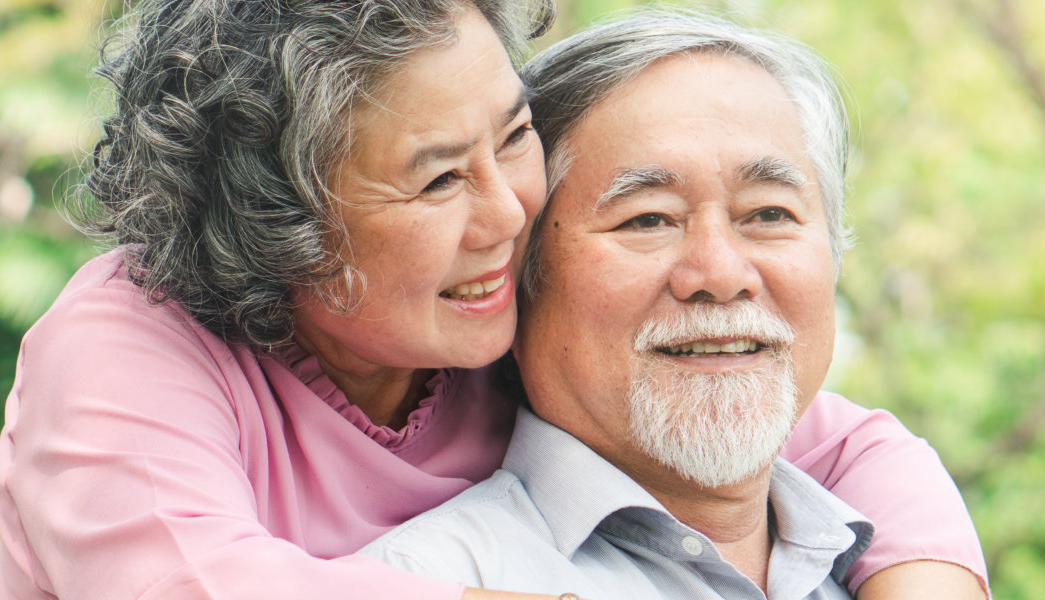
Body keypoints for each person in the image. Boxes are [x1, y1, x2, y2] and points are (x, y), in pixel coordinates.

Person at [0, 0, 986, 599]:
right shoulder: (125, 348)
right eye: (435, 181)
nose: (514, 210)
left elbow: (818, 425)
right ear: (288, 228)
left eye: (512, 136)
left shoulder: (483, 322)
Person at [358, 11, 988, 599]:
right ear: (517, 278)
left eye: (770, 213)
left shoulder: (886, 551)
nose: (720, 273)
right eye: (648, 219)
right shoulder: (430, 579)